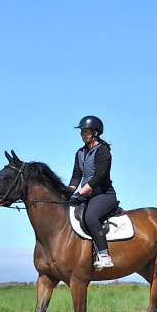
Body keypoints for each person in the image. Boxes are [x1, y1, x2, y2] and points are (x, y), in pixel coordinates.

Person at [68, 115, 118, 270]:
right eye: (81, 131)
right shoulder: (80, 153)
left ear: (95, 133)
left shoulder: (103, 151)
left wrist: (80, 193)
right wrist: (69, 192)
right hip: (87, 195)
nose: (82, 134)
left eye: (85, 131)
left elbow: (99, 177)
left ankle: (104, 256)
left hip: (104, 195)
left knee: (90, 217)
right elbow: (76, 176)